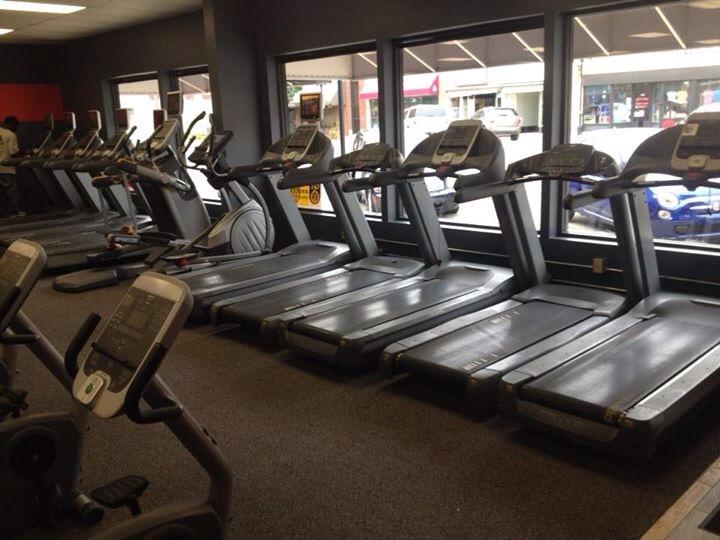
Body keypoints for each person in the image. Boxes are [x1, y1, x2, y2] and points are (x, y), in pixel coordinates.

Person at [0, 116, 24, 218]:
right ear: (12, 125)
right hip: (6, 167)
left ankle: (3, 213)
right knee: (12, 192)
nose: (16, 128)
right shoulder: (11, 135)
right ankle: (14, 212)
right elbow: (13, 152)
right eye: (16, 126)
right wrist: (24, 155)